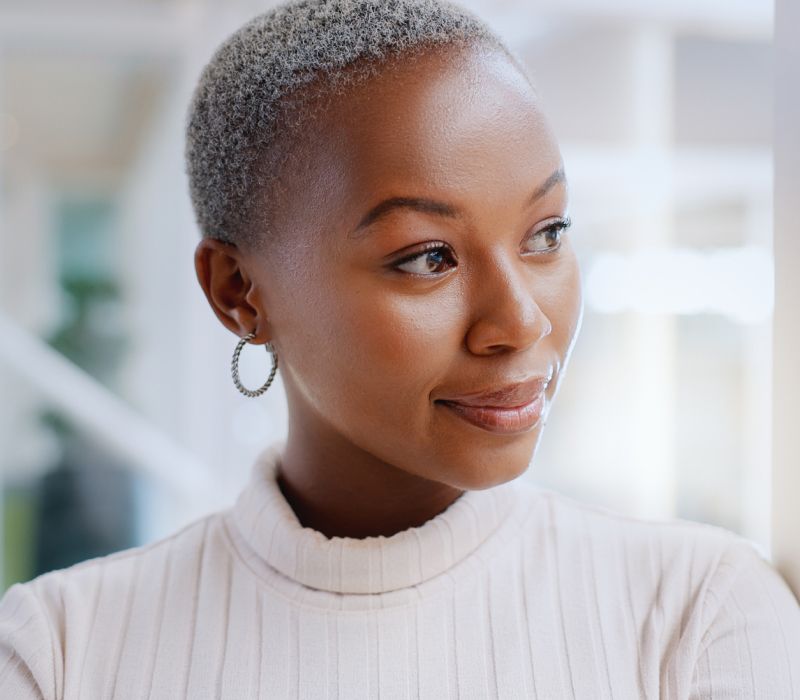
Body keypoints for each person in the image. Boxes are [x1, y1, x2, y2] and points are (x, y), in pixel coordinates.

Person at [2, 0, 799, 697]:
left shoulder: (700, 614)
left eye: (547, 233)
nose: (522, 322)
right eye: (428, 257)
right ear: (239, 292)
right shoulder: (60, 651)